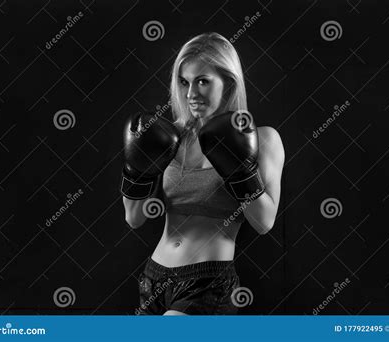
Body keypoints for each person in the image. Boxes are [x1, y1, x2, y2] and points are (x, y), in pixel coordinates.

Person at [121, 32, 285, 315]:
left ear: (229, 82)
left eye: (203, 81)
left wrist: (239, 170)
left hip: (209, 284)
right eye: (184, 82)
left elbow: (264, 222)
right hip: (153, 279)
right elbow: (133, 218)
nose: (190, 94)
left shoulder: (264, 139)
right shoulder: (168, 137)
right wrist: (136, 168)